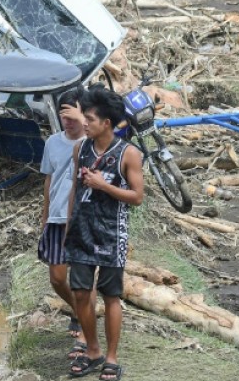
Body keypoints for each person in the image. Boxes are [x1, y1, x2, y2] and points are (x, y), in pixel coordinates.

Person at [65, 87, 144, 381]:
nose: (84, 123)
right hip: (81, 232)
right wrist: (67, 226)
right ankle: (93, 351)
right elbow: (75, 189)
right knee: (82, 293)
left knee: (111, 295)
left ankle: (111, 357)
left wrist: (104, 186)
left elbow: (137, 197)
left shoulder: (129, 154)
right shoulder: (80, 149)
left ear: (106, 123)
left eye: (89, 118)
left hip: (112, 234)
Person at [38, 87, 96, 361]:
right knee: (57, 278)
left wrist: (83, 121)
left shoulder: (93, 142)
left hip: (84, 218)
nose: (67, 121)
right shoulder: (52, 143)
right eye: (63, 116)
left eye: (72, 115)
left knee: (84, 280)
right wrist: (45, 216)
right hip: (57, 217)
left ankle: (86, 333)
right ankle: (79, 311)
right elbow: (49, 181)